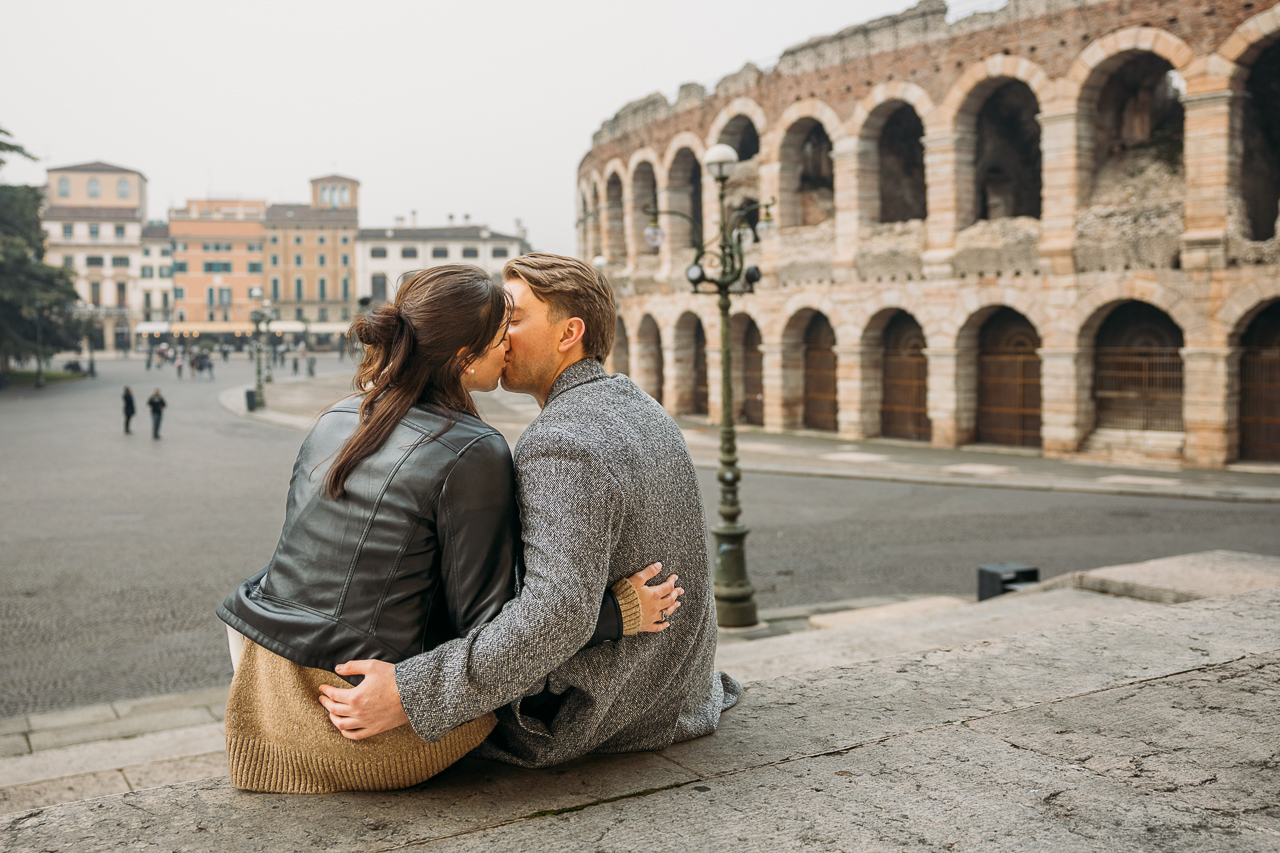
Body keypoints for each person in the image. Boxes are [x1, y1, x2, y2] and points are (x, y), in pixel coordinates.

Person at [216, 265, 679, 794]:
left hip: (268, 702)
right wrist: (611, 616)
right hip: (362, 728)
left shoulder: (339, 416)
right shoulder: (475, 450)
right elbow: (489, 624)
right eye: (499, 335)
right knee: (501, 671)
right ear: (464, 358)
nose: (508, 344)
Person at [318, 253, 737, 768]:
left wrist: (409, 694)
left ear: (569, 333)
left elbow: (554, 614)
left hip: (591, 715)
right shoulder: (640, 405)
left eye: (512, 318)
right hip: (675, 694)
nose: (500, 333)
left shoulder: (559, 441)